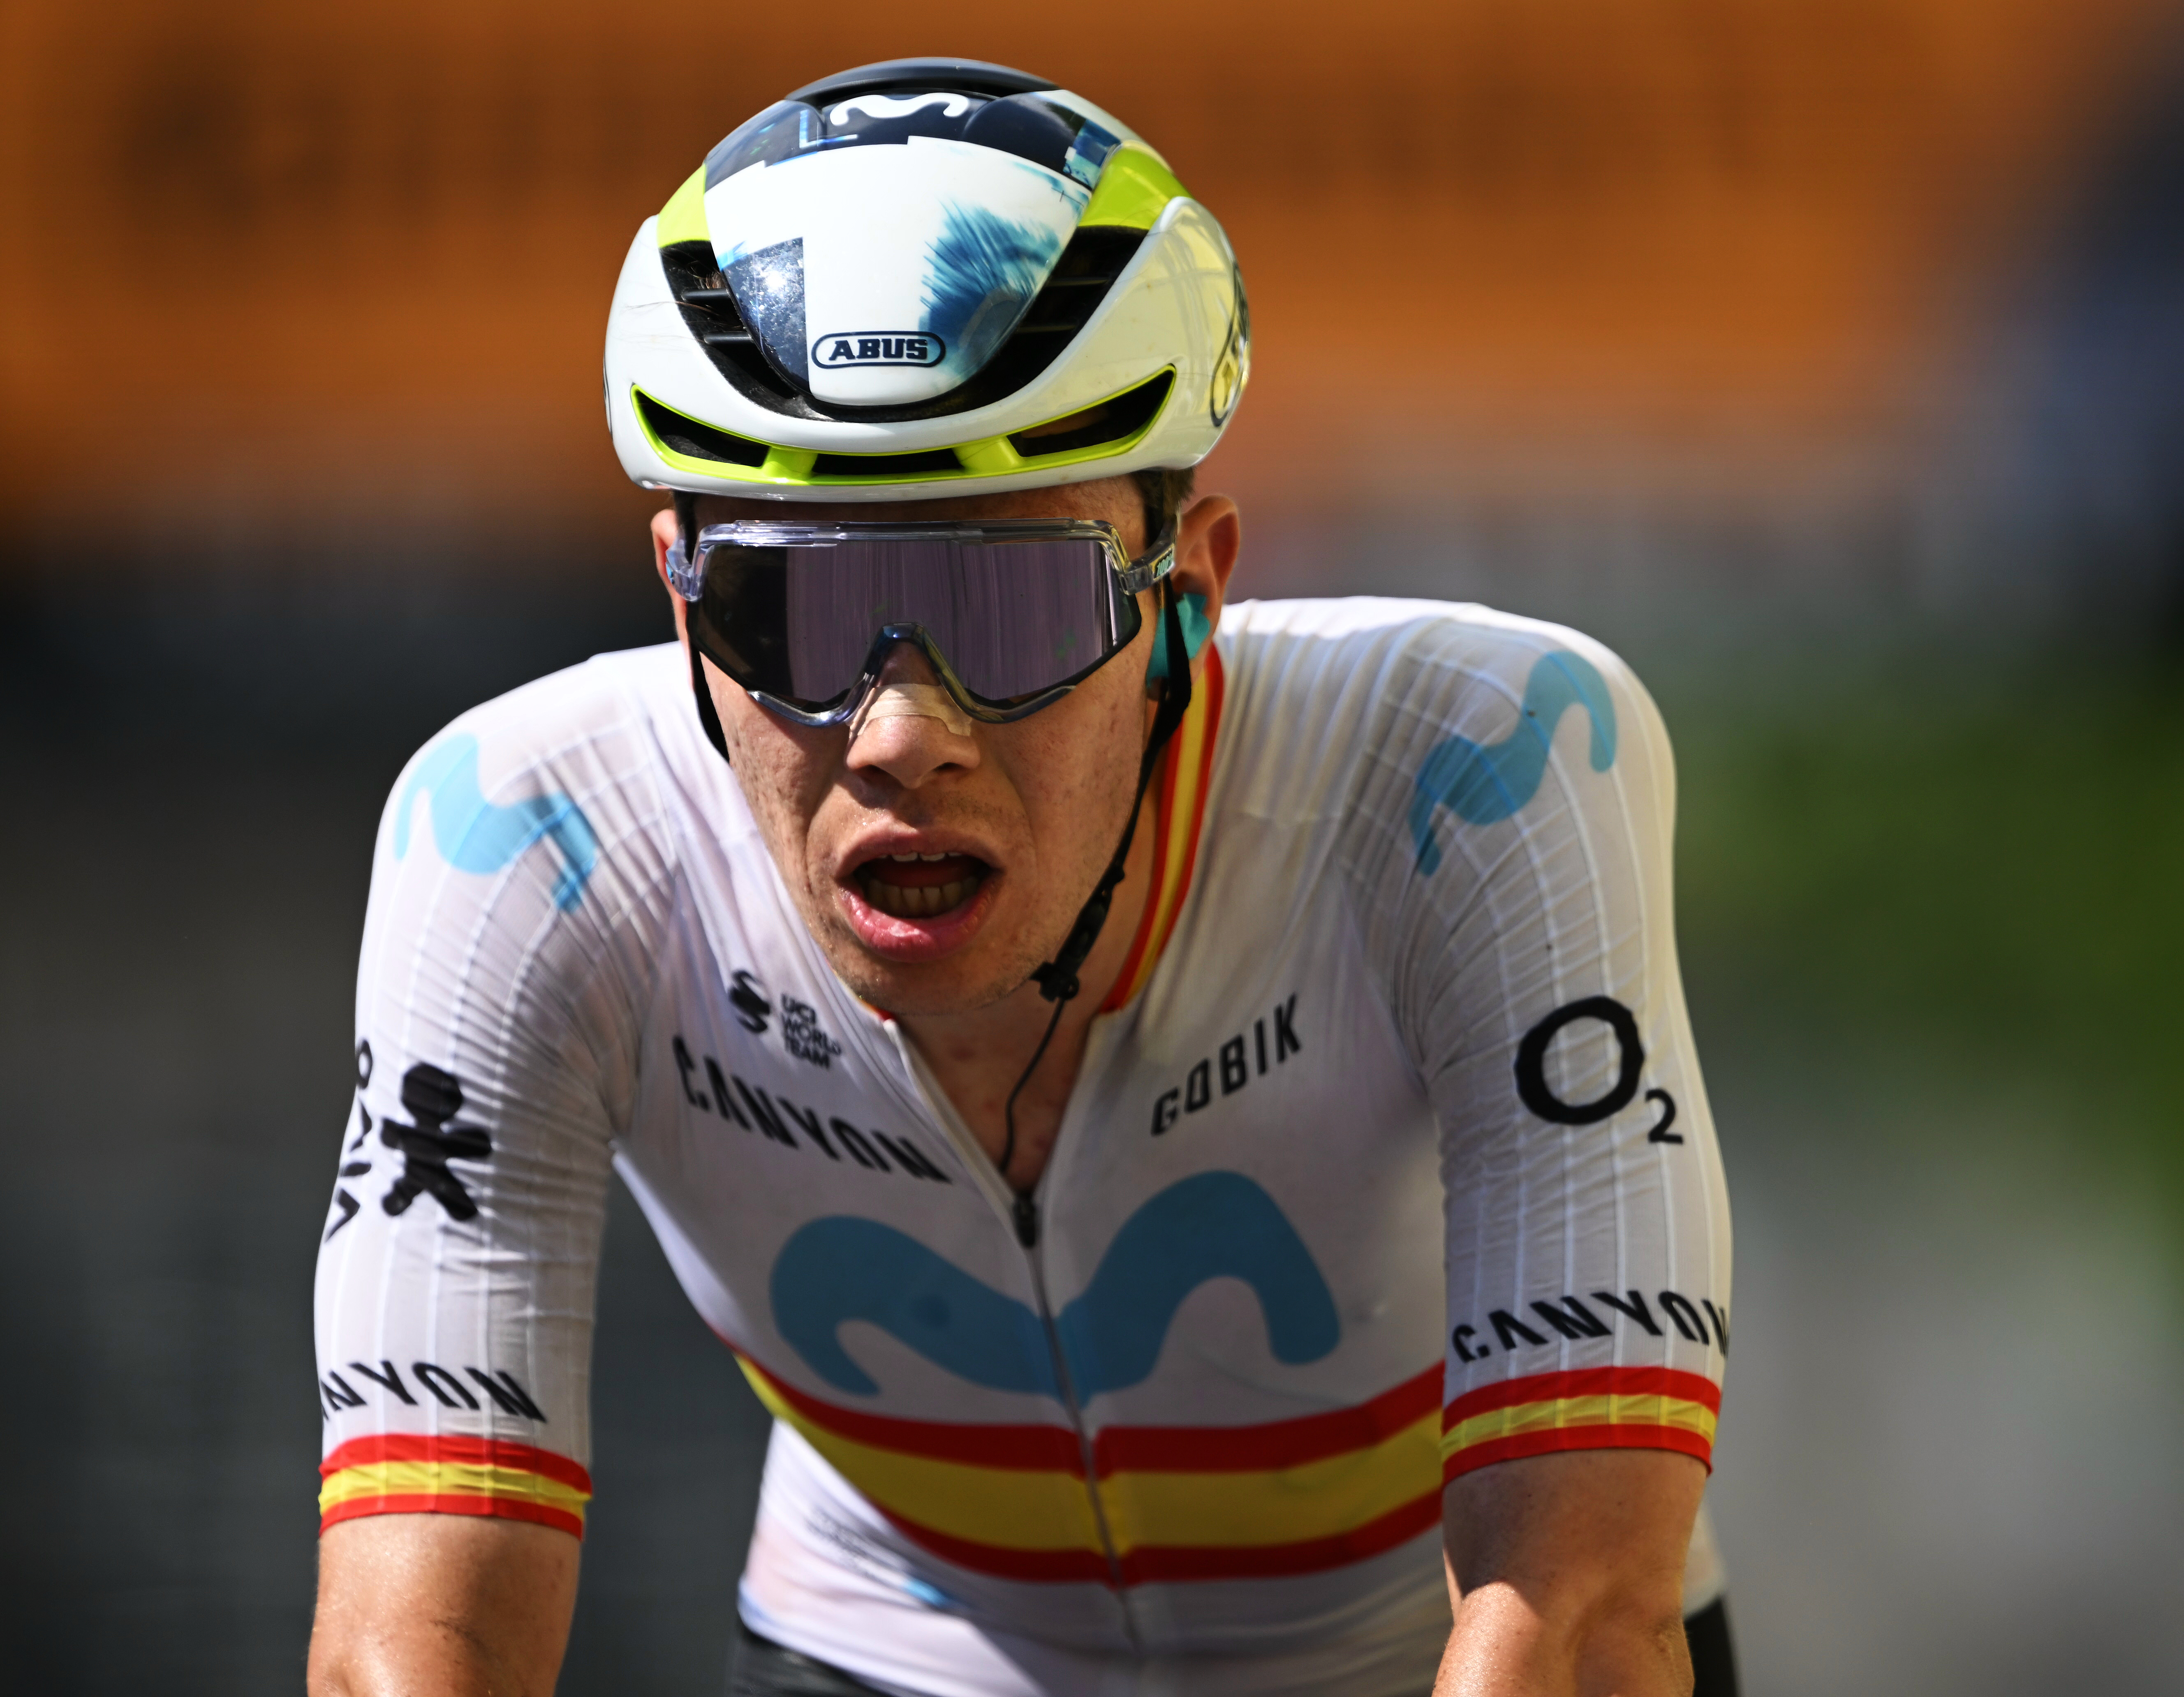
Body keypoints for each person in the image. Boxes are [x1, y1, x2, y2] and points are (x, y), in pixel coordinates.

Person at [305, 57, 1735, 1697]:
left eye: (1010, 613)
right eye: (799, 616)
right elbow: (413, 1648)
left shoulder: (1477, 763)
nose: (903, 733)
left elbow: (1584, 1615)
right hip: (892, 1652)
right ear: (684, 609)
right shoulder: (522, 842)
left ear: (1189, 593)